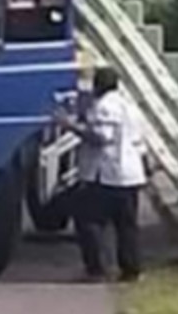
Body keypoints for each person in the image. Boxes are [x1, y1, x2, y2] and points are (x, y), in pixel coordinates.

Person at [64, 67, 147, 282]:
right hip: (131, 173)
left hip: (107, 173)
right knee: (127, 225)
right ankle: (131, 269)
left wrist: (70, 126)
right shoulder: (131, 107)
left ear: (98, 85)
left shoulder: (104, 107)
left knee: (88, 219)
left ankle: (97, 269)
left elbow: (101, 137)